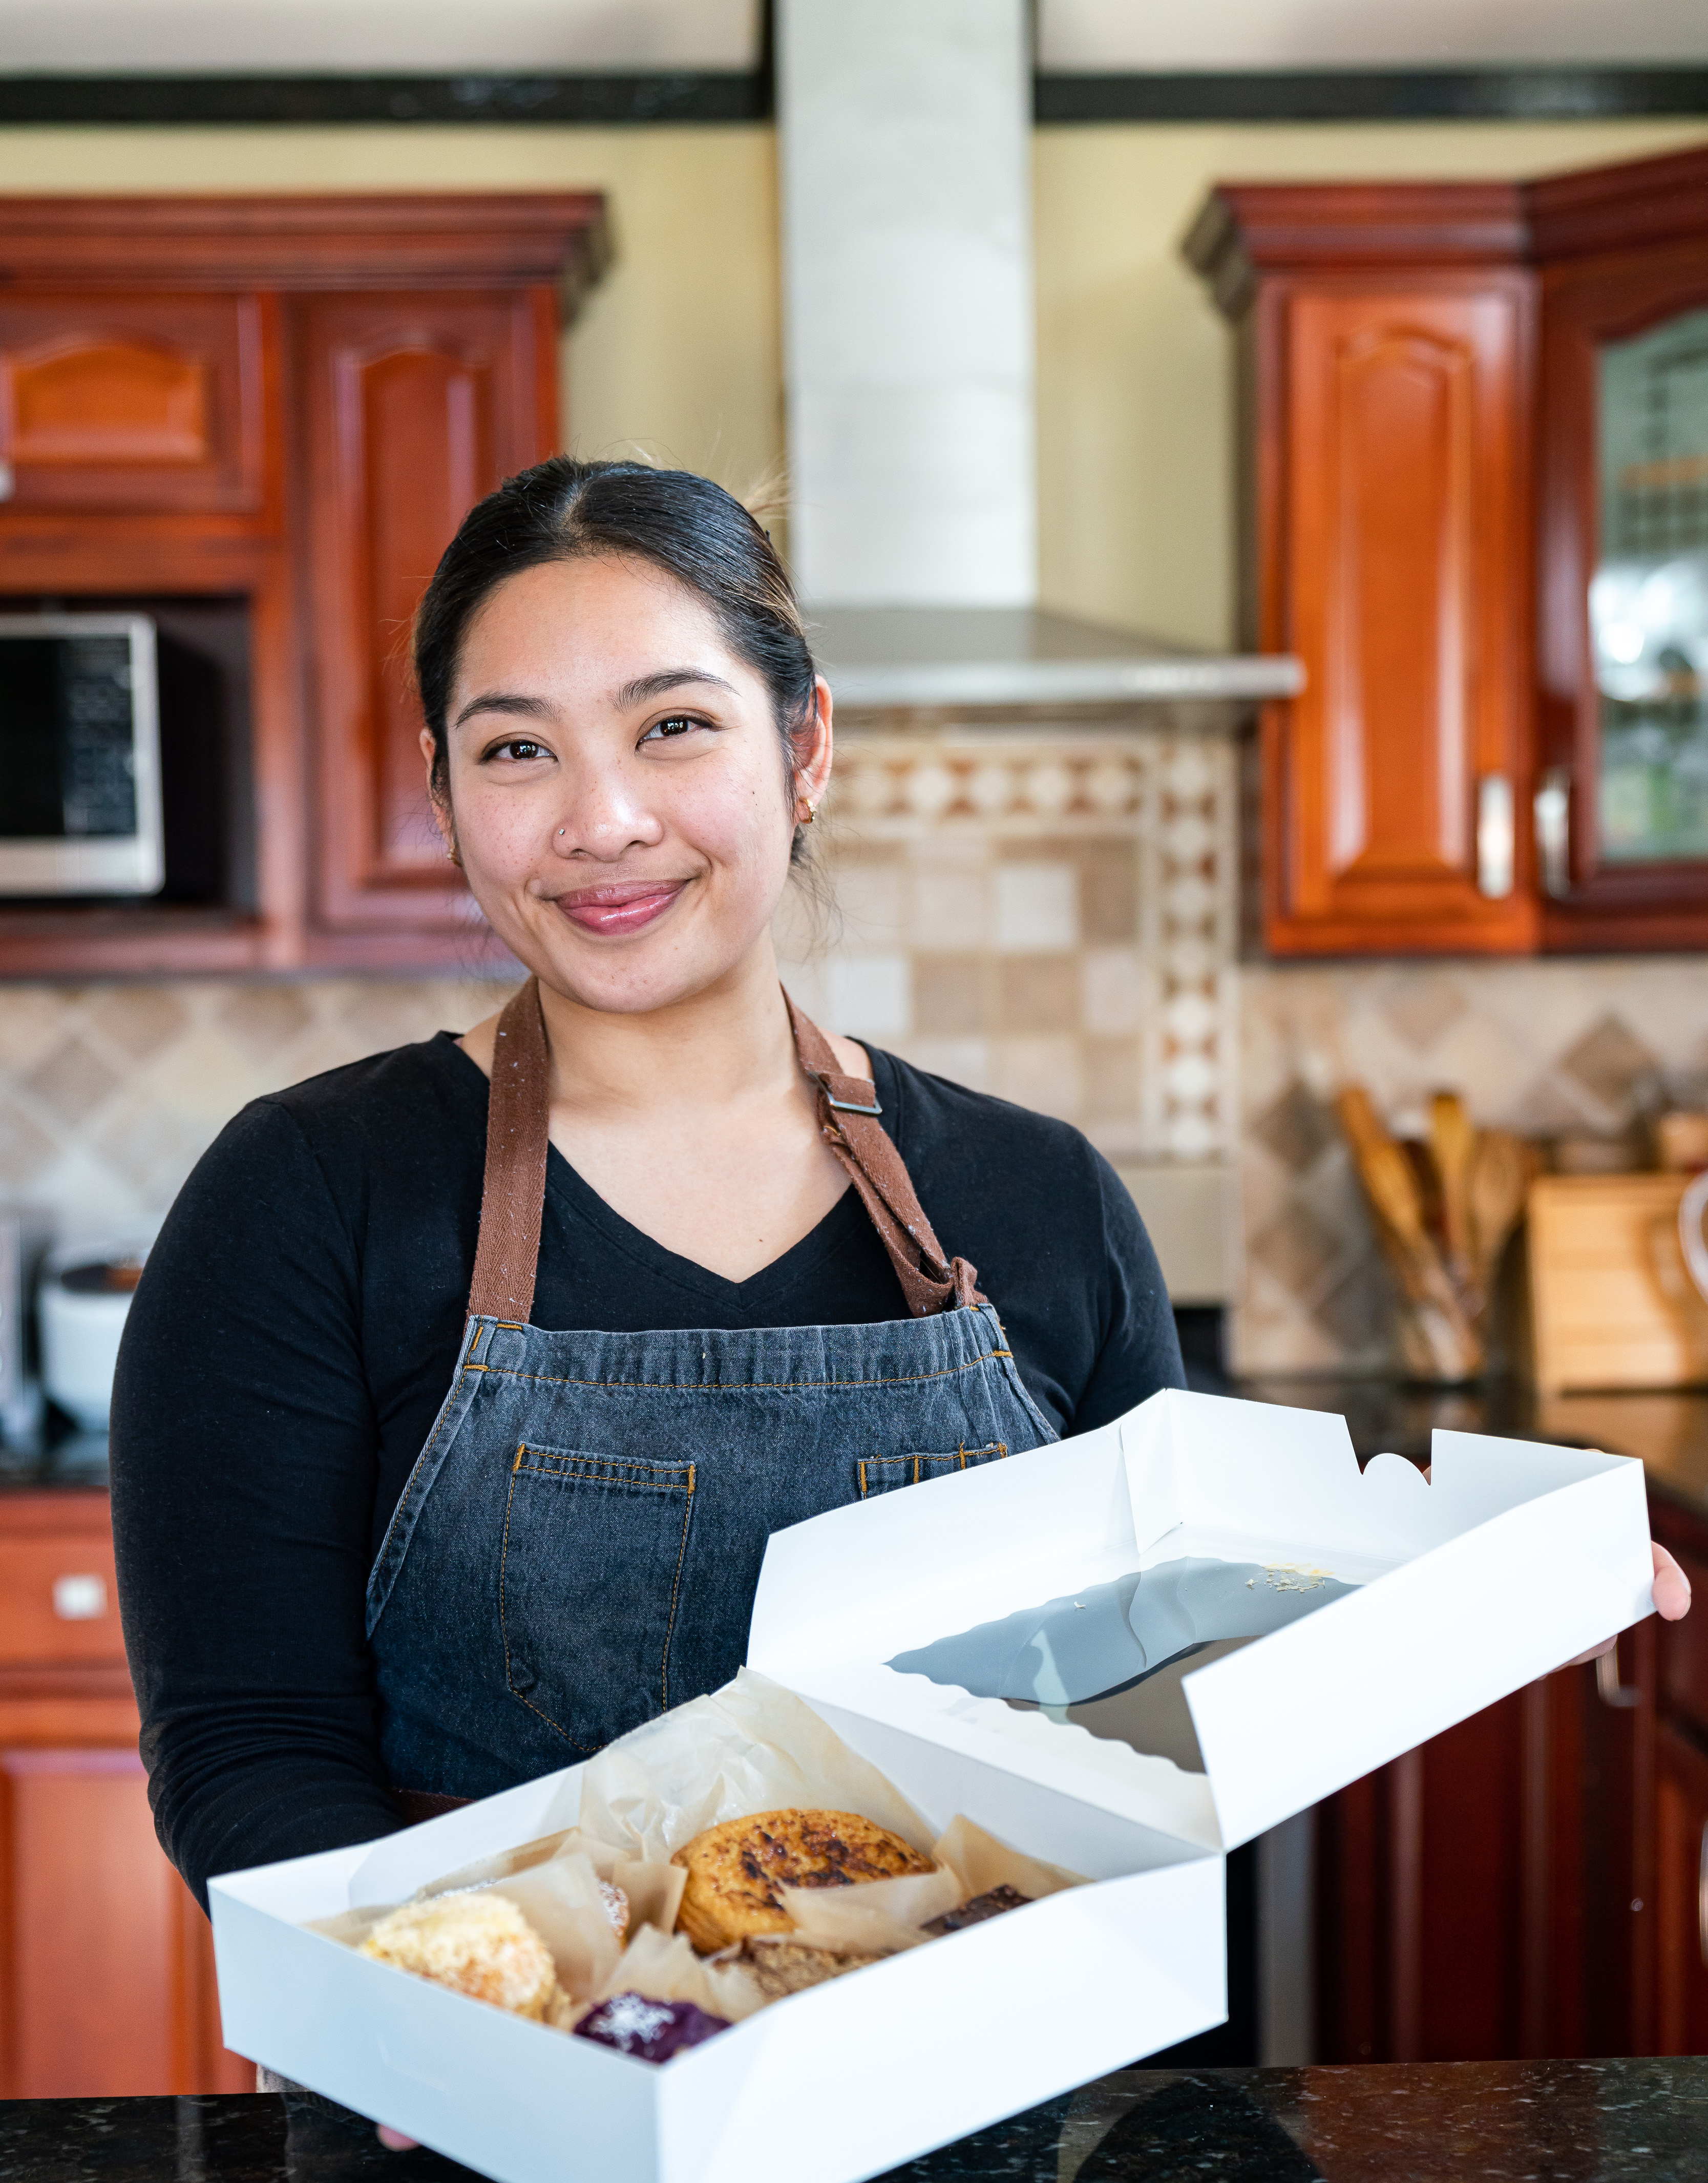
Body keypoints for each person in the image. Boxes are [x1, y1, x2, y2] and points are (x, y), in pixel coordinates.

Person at [111, 456, 1188, 1905]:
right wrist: (463, 2022)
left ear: (805, 749)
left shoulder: (1040, 1199)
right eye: (515, 751)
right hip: (474, 2092)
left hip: (970, 2097)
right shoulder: (306, 1195)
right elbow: (253, 1749)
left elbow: (1153, 1715)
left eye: (674, 726)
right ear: (440, 794)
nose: (601, 820)